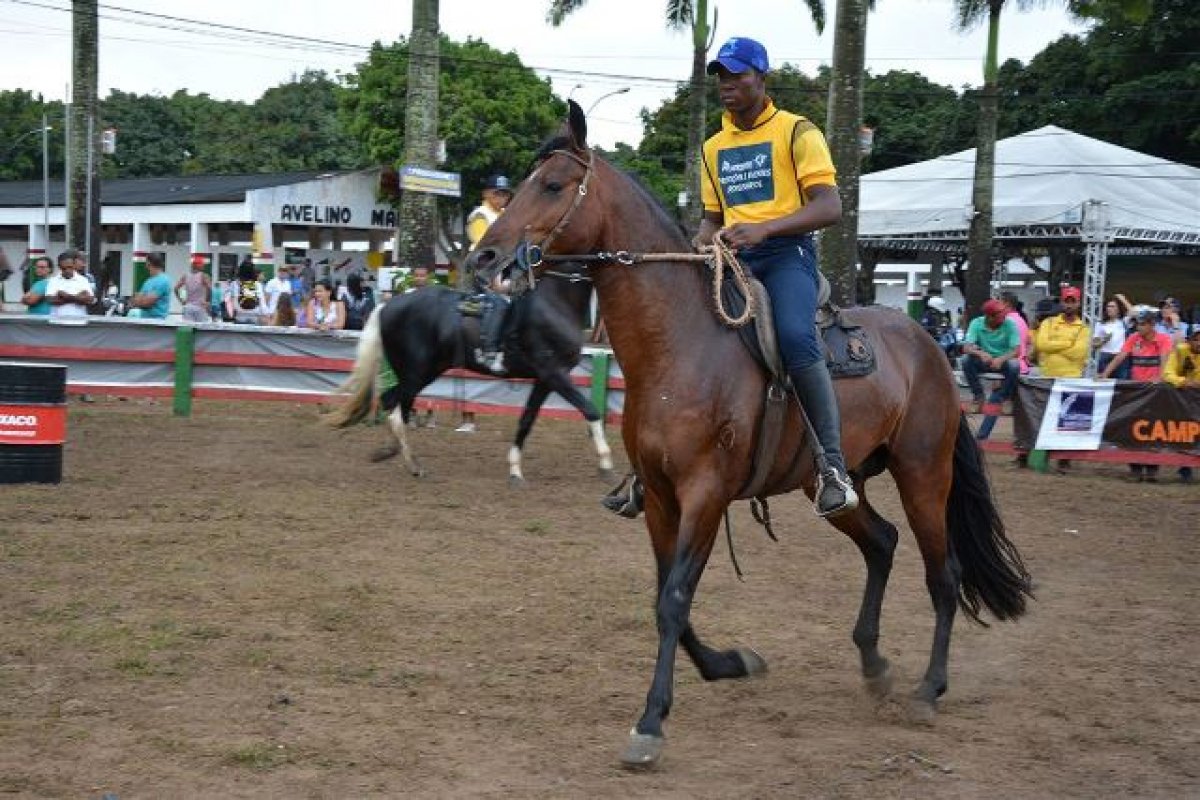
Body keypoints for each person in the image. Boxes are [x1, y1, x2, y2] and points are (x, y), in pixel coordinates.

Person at [695, 36, 854, 518]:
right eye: (721, 76)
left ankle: (831, 466)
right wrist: (699, 245)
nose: (727, 85)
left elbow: (829, 207)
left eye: (738, 75)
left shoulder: (797, 132)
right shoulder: (712, 147)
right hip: (732, 258)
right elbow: (710, 219)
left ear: (762, 78)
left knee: (793, 336)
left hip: (787, 255)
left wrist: (763, 230)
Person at [1101, 308, 1174, 482]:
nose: (1138, 328)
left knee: (1154, 431)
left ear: (1152, 325)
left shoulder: (1163, 339)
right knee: (1133, 429)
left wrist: (1160, 378)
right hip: (1136, 391)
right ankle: (1135, 467)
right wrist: (1105, 374)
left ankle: (1152, 469)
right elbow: (1120, 356)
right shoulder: (1133, 338)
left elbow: (1165, 360)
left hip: (1154, 391)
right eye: (1137, 324)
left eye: (1142, 324)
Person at [468, 174, 517, 376]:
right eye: (497, 193)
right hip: (484, 263)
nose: (501, 197)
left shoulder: (507, 214)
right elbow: (484, 244)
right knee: (498, 301)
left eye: (505, 194)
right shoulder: (480, 215)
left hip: (506, 262)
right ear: (486, 194)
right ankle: (487, 351)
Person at [961, 298, 1021, 414]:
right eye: (1001, 315)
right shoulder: (976, 323)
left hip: (1003, 361)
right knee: (965, 360)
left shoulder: (1010, 324)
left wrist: (1001, 359)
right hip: (985, 360)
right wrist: (981, 353)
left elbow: (1016, 351)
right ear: (990, 317)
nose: (1004, 317)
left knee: (1014, 365)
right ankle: (978, 396)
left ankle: (1005, 398)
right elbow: (966, 348)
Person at [1163, 328, 1200, 484]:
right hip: (1182, 398)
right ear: (1189, 340)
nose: (1199, 343)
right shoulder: (1179, 351)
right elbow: (1167, 373)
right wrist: (1184, 382)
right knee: (1183, 433)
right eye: (1196, 339)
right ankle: (1184, 468)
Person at [1033, 286, 1089, 378]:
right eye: (1066, 301)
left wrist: (1052, 348)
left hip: (1072, 377)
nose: (1069, 305)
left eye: (1073, 302)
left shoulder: (1083, 328)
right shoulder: (1048, 322)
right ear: (1061, 303)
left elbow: (1078, 353)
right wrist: (1068, 343)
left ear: (1079, 303)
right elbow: (1042, 344)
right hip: (1047, 376)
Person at [44, 249, 95, 320]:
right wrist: (78, 298)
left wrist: (65, 296)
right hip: (57, 322)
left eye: (70, 267)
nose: (67, 270)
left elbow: (90, 300)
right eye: (64, 268)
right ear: (59, 266)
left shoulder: (83, 280)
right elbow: (50, 300)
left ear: (74, 265)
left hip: (79, 321)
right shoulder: (53, 281)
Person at [1093, 296, 1130, 379]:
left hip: (1120, 357)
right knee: (1103, 383)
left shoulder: (1124, 322)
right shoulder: (1100, 324)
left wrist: (1123, 299)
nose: (1109, 309)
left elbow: (1135, 314)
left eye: (1112, 306)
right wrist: (1104, 340)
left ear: (1118, 309)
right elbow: (1094, 344)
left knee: (1121, 385)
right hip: (1104, 356)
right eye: (1108, 306)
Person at [127, 253, 172, 319]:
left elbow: (147, 303)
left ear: (148, 263)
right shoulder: (148, 281)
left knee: (133, 312)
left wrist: (138, 301)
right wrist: (139, 300)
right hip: (144, 319)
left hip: (157, 320)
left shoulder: (163, 280)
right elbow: (138, 299)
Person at [227, 257, 266, 325]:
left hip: (239, 317)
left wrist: (231, 314)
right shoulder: (257, 284)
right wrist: (265, 315)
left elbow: (230, 301)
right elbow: (262, 303)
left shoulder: (235, 284)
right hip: (254, 317)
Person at [1000, 291, 1031, 376]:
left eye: (999, 302)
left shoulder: (1005, 322)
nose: (997, 306)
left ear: (1006, 304)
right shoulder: (1022, 321)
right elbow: (1029, 344)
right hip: (1022, 368)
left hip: (1009, 370)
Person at [175, 255, 212, 323]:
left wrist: (181, 300)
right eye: (202, 264)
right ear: (197, 265)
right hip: (200, 307)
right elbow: (210, 288)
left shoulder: (185, 276)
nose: (203, 265)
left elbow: (176, 288)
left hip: (188, 307)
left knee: (188, 330)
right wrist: (207, 302)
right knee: (201, 330)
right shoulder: (204, 276)